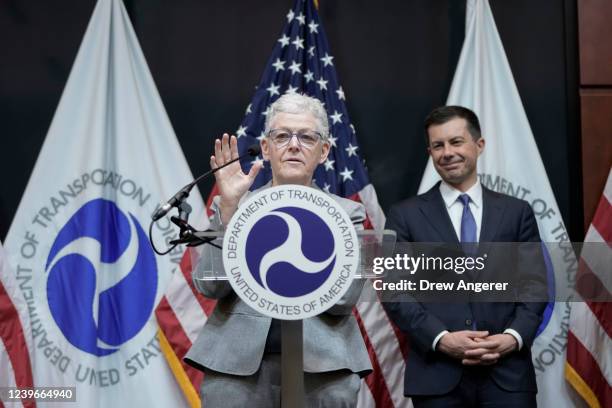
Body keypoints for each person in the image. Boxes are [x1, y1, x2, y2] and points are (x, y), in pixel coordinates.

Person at [185, 93, 372, 407]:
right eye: (282, 136)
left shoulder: (347, 214)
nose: (294, 145)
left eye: (307, 137)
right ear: (267, 148)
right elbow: (210, 285)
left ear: (324, 151)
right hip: (236, 367)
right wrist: (230, 212)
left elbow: (342, 299)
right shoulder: (233, 205)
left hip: (324, 367)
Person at [384, 106, 547, 407]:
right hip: (437, 376)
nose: (447, 152)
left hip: (507, 377)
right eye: (438, 145)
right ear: (430, 152)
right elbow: (393, 290)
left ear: (479, 145)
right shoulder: (404, 216)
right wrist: (441, 338)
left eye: (456, 142)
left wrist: (512, 337)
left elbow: (535, 285)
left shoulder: (516, 212)